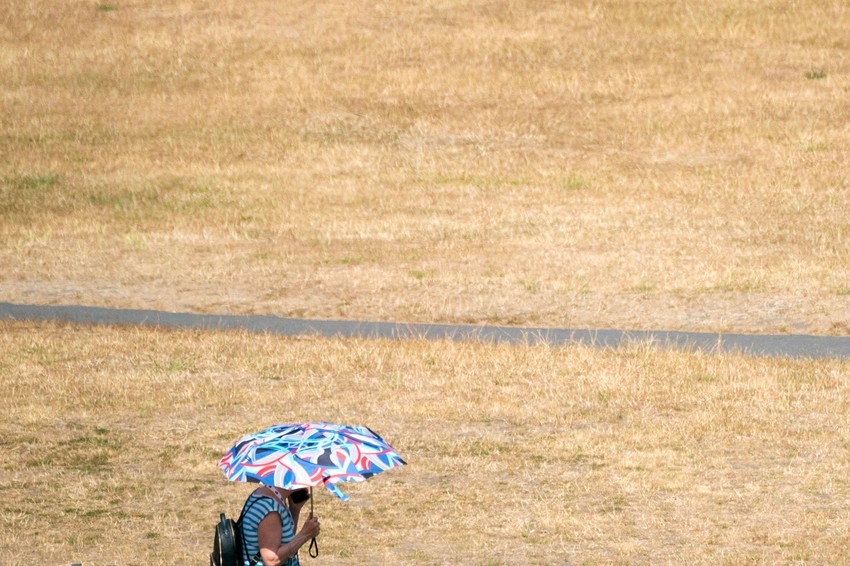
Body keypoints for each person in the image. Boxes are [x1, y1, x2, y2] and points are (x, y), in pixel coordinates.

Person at [238, 485, 321, 566]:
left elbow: (283, 541)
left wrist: (295, 510)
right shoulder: (270, 509)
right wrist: (305, 534)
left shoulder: (271, 496)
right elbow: (272, 560)